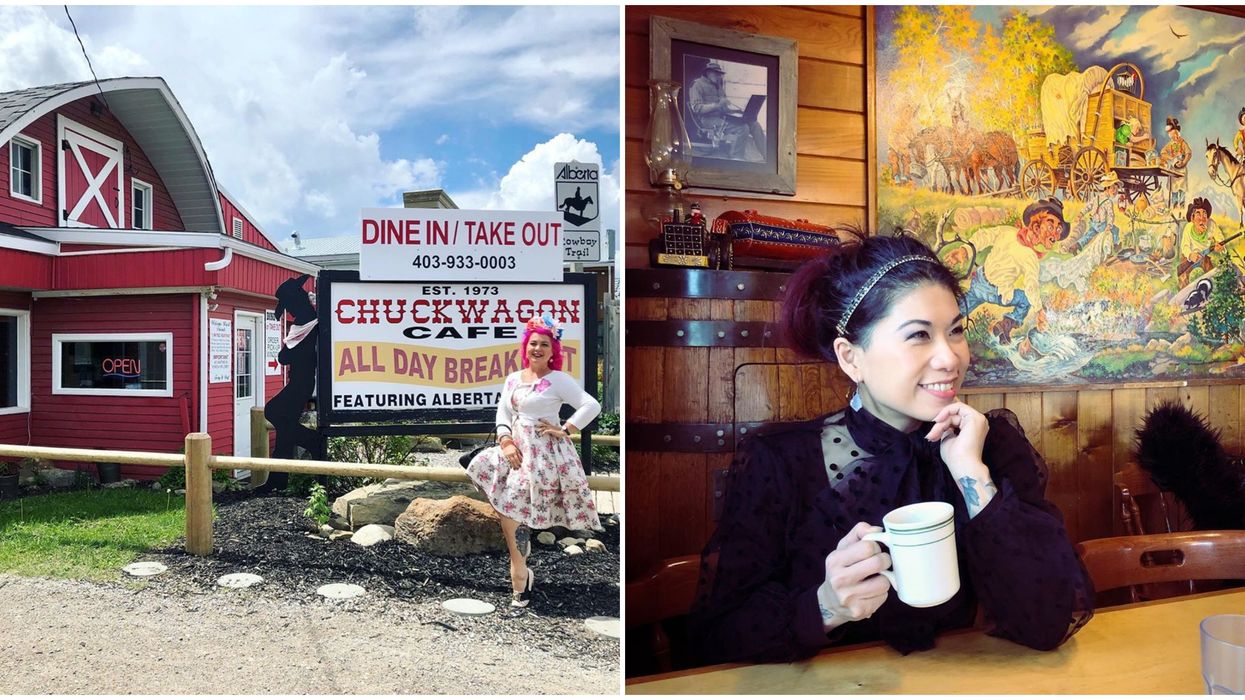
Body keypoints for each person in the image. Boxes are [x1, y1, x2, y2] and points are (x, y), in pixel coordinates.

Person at [689, 234, 1094, 664]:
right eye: (919, 335)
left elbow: (1049, 622)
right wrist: (825, 606)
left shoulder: (989, 447)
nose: (950, 358)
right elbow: (716, 635)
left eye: (956, 331)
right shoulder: (784, 462)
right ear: (851, 358)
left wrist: (973, 477)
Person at [465, 314, 602, 607]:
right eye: (533, 343)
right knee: (504, 499)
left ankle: (518, 573)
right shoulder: (514, 378)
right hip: (514, 448)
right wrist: (505, 441)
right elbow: (503, 412)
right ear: (525, 347)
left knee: (518, 507)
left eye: (544, 344)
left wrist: (565, 428)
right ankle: (520, 570)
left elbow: (592, 405)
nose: (537, 349)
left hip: (543, 455)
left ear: (553, 350)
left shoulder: (559, 380)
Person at [947, 198, 1068, 358]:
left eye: (1058, 230)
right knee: (1025, 301)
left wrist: (965, 250)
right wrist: (1039, 310)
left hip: (979, 283)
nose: (1055, 233)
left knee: (956, 312)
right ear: (1036, 226)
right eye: (1051, 226)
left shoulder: (1007, 232)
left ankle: (942, 325)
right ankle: (1005, 325)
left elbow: (984, 236)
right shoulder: (1029, 255)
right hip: (997, 293)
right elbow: (1031, 285)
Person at [688, 60, 766, 160]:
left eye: (719, 74)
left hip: (722, 117)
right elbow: (697, 108)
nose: (718, 76)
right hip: (708, 119)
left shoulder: (718, 86)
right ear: (708, 72)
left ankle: (767, 155)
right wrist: (717, 105)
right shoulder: (697, 85)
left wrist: (737, 112)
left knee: (754, 124)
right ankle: (737, 157)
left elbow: (724, 108)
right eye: (716, 73)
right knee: (743, 128)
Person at [1178, 197, 1225, 286]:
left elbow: (1220, 237)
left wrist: (1220, 246)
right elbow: (1185, 246)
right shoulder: (1188, 228)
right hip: (1189, 257)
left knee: (1211, 276)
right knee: (1183, 278)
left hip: (1204, 256)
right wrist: (1190, 255)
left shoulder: (1211, 224)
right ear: (1192, 218)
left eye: (1204, 214)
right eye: (1198, 214)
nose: (1202, 218)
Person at [1159, 117, 1190, 209]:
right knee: (1174, 189)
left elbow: (1189, 153)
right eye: (1170, 134)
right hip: (1174, 170)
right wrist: (1171, 158)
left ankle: (1182, 206)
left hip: (1182, 169)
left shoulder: (1183, 143)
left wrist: (1184, 162)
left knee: (1182, 189)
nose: (1173, 136)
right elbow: (1162, 152)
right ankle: (1175, 207)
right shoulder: (1170, 144)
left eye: (1173, 134)